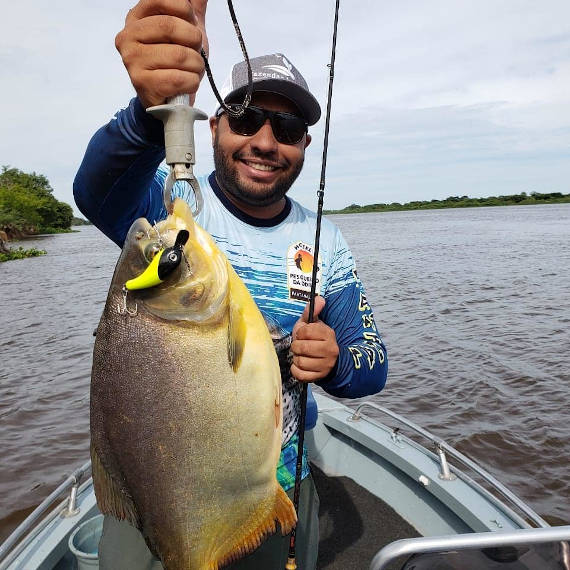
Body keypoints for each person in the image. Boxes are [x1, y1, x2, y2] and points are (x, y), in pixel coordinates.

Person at [74, 1, 388, 568]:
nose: (266, 141)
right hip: (161, 488)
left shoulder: (328, 245)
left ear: (304, 146)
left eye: (288, 128)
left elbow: (373, 364)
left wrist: (335, 361)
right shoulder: (173, 208)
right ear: (213, 125)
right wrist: (149, 113)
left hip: (271, 482)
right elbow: (97, 189)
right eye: (245, 119)